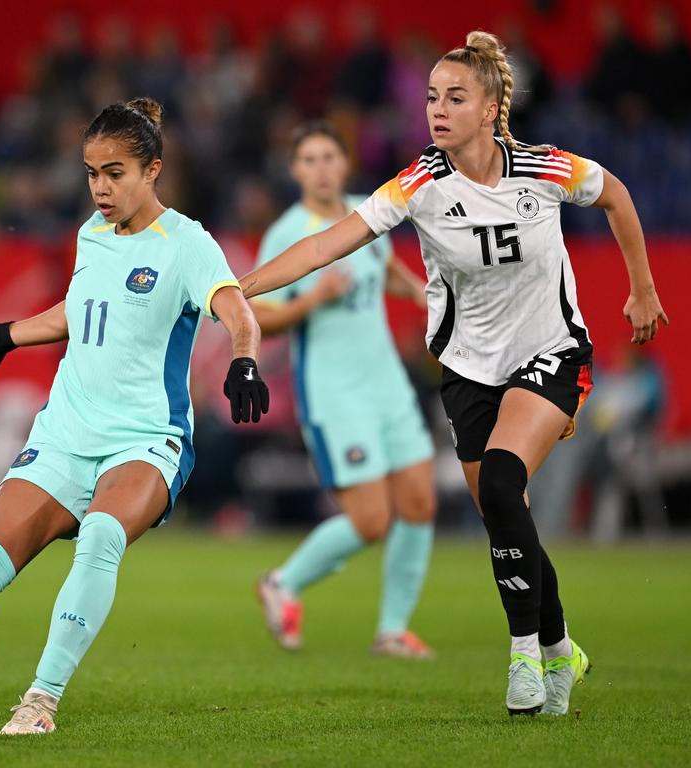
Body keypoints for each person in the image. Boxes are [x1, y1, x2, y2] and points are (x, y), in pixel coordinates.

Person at [238, 31, 668, 716]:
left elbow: (614, 194)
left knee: (501, 480)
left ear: (491, 107)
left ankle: (524, 654)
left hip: (550, 352)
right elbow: (325, 243)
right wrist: (244, 287)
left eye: (455, 97)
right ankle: (561, 647)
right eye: (433, 96)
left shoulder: (545, 167)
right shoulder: (420, 182)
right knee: (505, 514)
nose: (437, 108)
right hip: (467, 369)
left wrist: (640, 287)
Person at [0, 97, 269, 735]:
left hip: (146, 439)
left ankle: (40, 701)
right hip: (63, 432)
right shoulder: (90, 234)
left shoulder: (187, 242)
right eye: (92, 172)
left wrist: (245, 360)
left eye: (115, 172)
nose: (100, 187)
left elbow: (236, 309)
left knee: (99, 539)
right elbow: (78, 309)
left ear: (153, 171)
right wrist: (10, 335)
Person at [253, 120, 437, 659]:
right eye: (308, 159)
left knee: (420, 502)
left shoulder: (366, 212)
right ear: (295, 171)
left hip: (387, 383)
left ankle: (393, 630)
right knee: (371, 519)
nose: (321, 168)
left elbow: (390, 268)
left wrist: (423, 294)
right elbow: (257, 314)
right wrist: (313, 299)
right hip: (334, 392)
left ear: (345, 163)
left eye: (329, 156)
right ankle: (282, 582)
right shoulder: (289, 233)